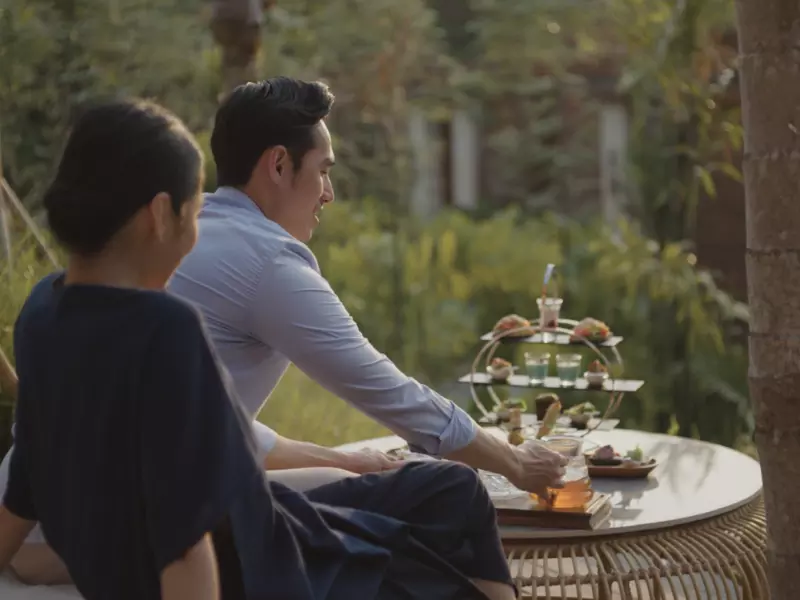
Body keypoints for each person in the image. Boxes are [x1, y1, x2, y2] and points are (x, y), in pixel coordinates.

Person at [0, 97, 531, 600]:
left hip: (169, 532)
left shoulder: (42, 309)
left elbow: (27, 474)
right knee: (448, 497)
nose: (195, 238)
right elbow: (187, 538)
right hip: (250, 553)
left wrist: (341, 460)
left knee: (401, 504)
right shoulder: (168, 325)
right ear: (160, 216)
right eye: (193, 213)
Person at [168, 77, 565, 494]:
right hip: (183, 513)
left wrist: (350, 461)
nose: (329, 194)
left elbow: (207, 422)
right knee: (448, 494)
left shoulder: (192, 234)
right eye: (323, 171)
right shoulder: (268, 261)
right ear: (280, 164)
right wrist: (514, 462)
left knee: (378, 479)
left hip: (131, 492)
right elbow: (388, 391)